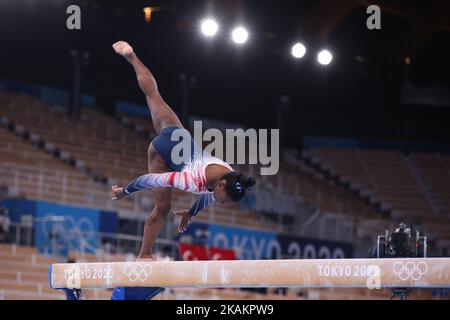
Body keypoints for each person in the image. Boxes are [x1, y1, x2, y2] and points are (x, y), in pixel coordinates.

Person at [110, 41, 256, 261]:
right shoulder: (191, 181)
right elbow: (150, 180)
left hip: (177, 134)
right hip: (160, 151)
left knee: (153, 95)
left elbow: (209, 197)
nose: (222, 203)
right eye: (225, 200)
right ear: (220, 185)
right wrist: (125, 191)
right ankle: (145, 254)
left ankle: (132, 56)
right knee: (163, 207)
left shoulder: (228, 173)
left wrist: (191, 212)